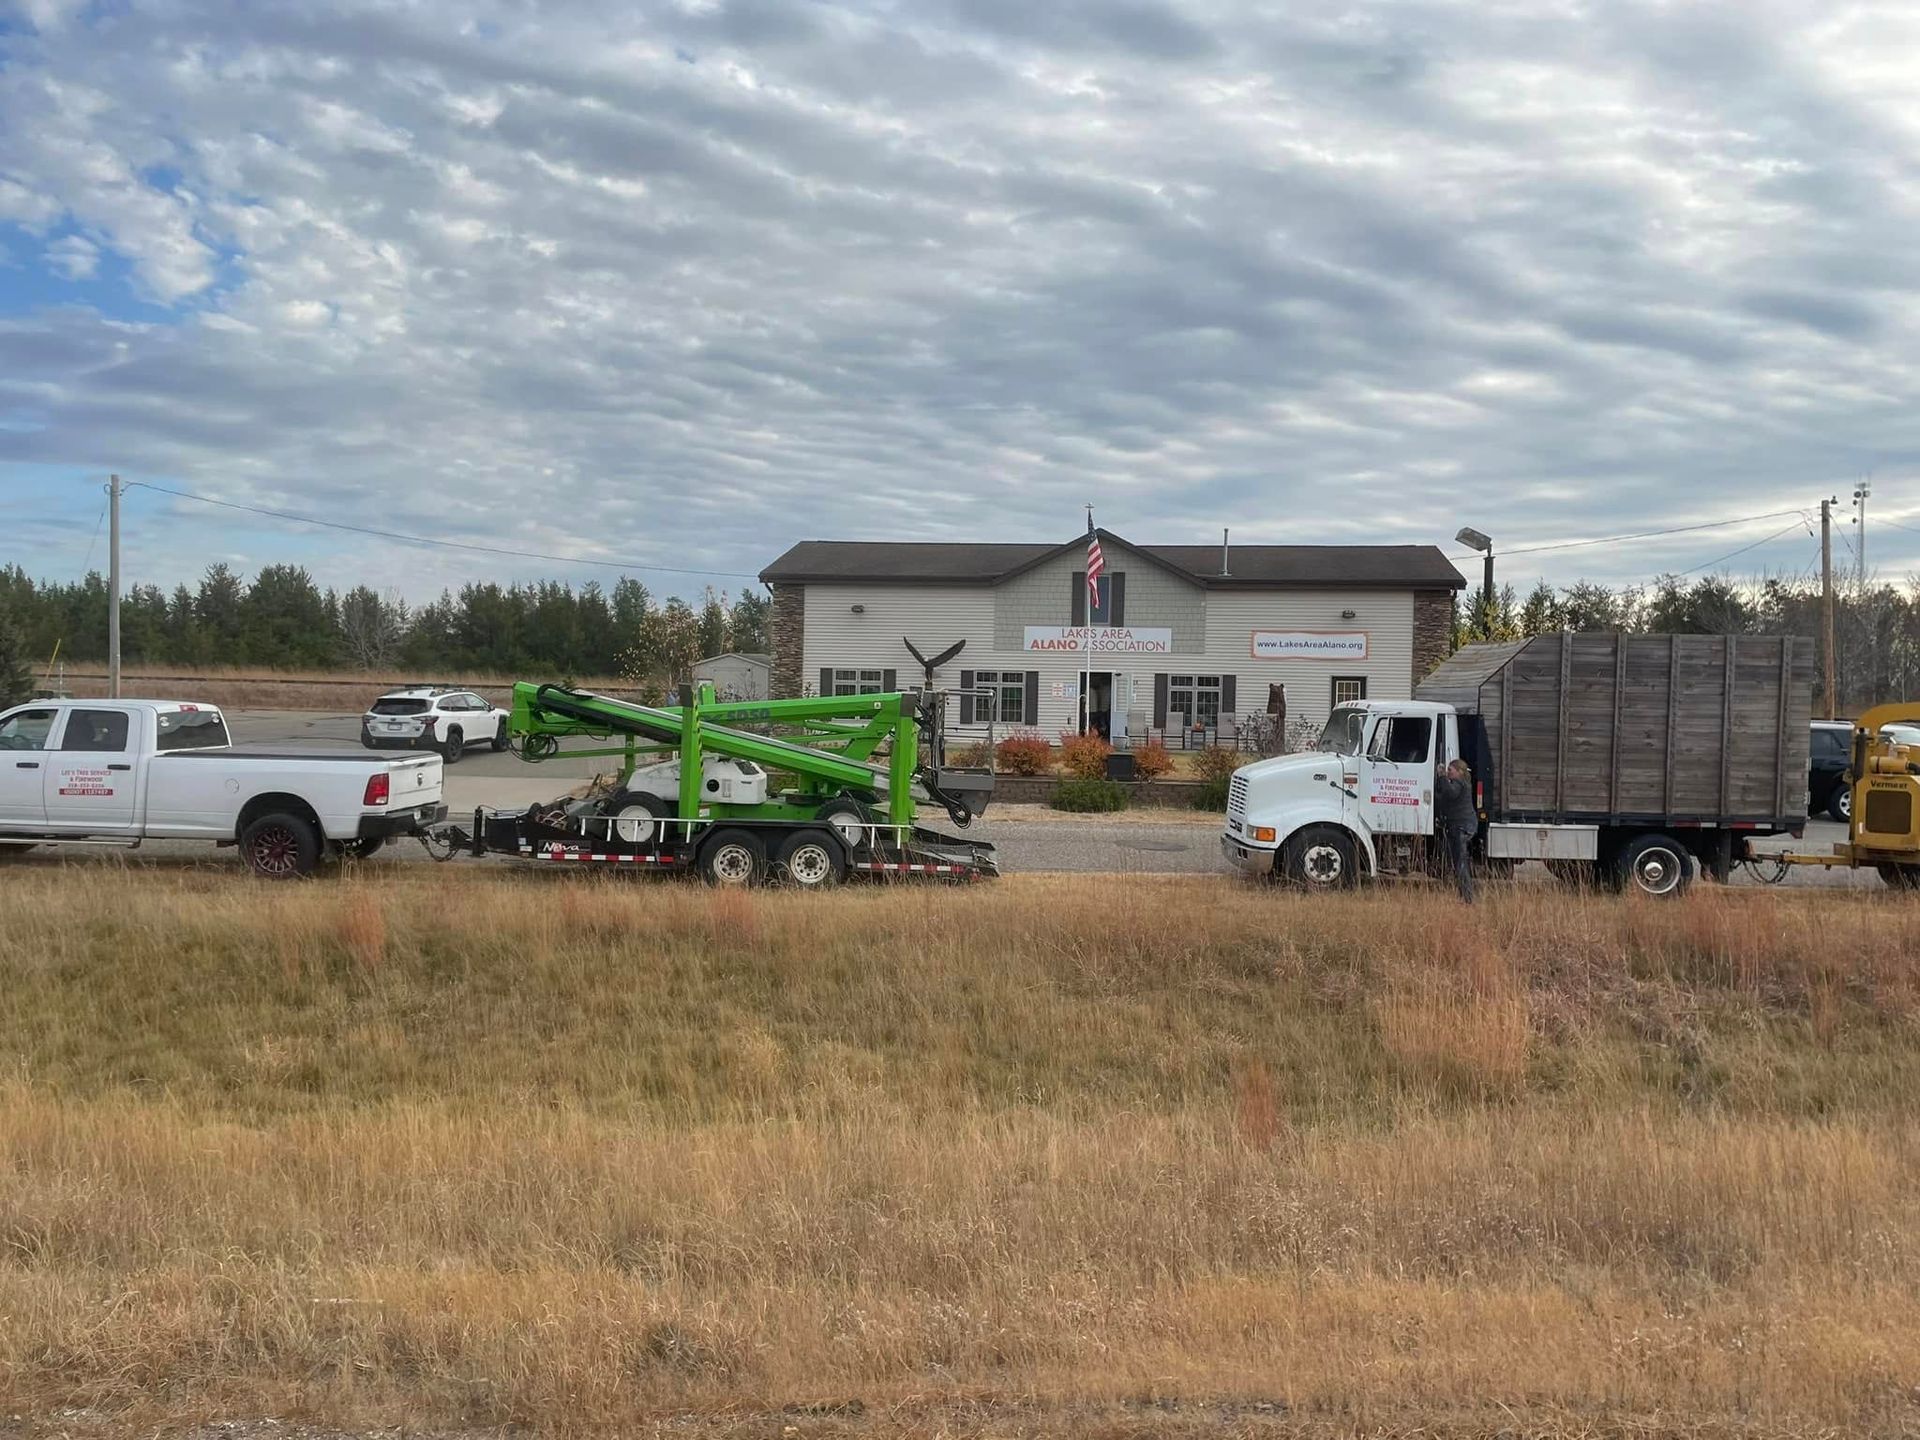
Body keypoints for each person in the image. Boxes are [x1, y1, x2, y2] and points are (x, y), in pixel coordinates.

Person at [1434, 757, 1479, 903]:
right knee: (1458, 862)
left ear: (1459, 772)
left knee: (1460, 863)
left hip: (1462, 826)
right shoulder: (1460, 784)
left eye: (1450, 770)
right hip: (1459, 826)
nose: (1447, 772)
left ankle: (1467, 898)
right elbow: (1444, 798)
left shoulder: (1460, 784)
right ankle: (1464, 896)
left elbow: (1450, 793)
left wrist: (1441, 777)